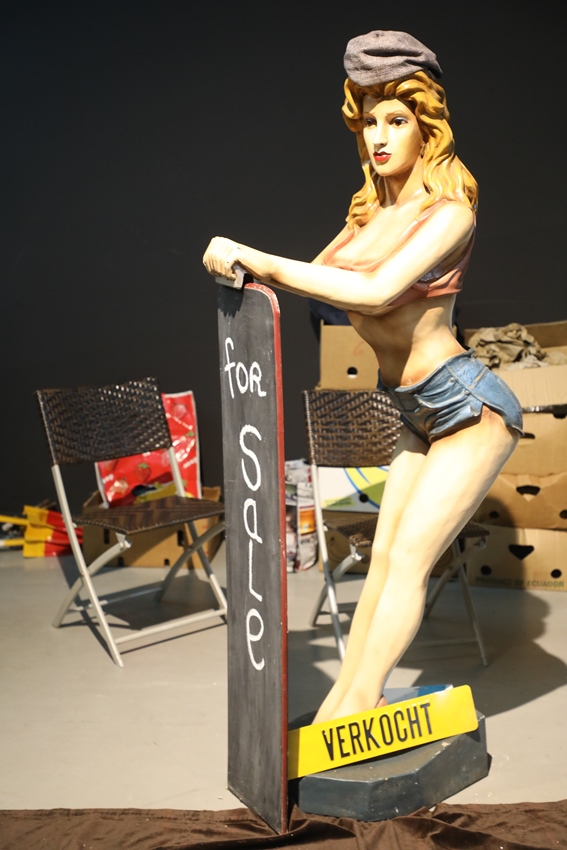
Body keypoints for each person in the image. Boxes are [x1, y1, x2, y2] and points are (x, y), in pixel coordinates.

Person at [203, 30, 523, 723]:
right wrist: (246, 268)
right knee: (380, 562)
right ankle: (343, 711)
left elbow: (375, 293)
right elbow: (312, 280)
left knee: (407, 561)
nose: (379, 136)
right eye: (369, 121)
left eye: (396, 120)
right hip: (412, 409)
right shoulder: (365, 218)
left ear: (426, 126)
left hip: (469, 409)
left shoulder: (449, 213)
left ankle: (353, 710)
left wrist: (257, 256)